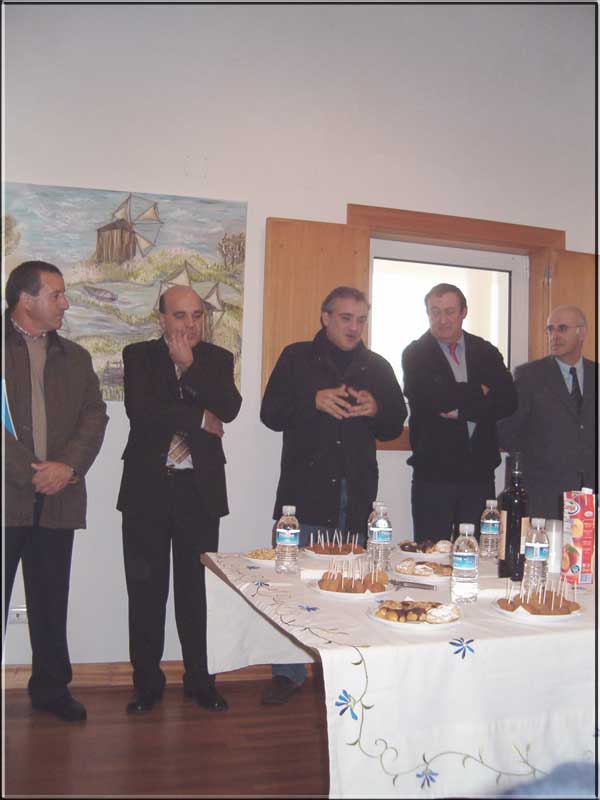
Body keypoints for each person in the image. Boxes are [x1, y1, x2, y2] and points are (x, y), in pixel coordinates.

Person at [260, 286, 407, 704]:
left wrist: (377, 408)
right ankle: (288, 674)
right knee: (293, 585)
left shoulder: (377, 366)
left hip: (356, 492)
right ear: (325, 318)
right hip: (305, 491)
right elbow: (270, 414)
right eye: (346, 318)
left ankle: (348, 670)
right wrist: (313, 401)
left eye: (361, 319)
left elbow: (394, 423)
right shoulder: (295, 357)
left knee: (353, 586)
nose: (354, 327)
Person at [117, 286, 241, 715]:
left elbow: (231, 407)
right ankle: (146, 685)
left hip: (199, 492)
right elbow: (142, 411)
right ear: (162, 319)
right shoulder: (138, 356)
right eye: (180, 315)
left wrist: (190, 367)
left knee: (196, 593)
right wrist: (202, 417)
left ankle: (200, 681)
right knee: (146, 593)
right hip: (146, 490)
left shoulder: (217, 359)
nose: (190, 324)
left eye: (197, 315)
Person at [4, 260, 108, 722]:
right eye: (56, 294)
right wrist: (31, 472)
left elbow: (95, 416)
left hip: (57, 498)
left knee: (50, 600)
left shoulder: (76, 358)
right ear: (26, 300)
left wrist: (67, 467)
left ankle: (50, 689)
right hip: (7, 496)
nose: (65, 303)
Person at [402, 283, 517, 543]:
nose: (442, 320)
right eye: (435, 312)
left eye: (450, 311)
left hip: (480, 473)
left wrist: (461, 410)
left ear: (464, 312)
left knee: (479, 552)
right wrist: (480, 391)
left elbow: (509, 401)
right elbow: (433, 400)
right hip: (433, 475)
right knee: (431, 553)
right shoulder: (415, 354)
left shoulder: (486, 351)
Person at [497, 305, 595, 519]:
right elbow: (507, 431)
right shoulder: (530, 375)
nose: (554, 335)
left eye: (562, 328)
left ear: (582, 332)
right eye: (550, 329)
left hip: (590, 494)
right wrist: (538, 457)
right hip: (544, 493)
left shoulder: (595, 374)